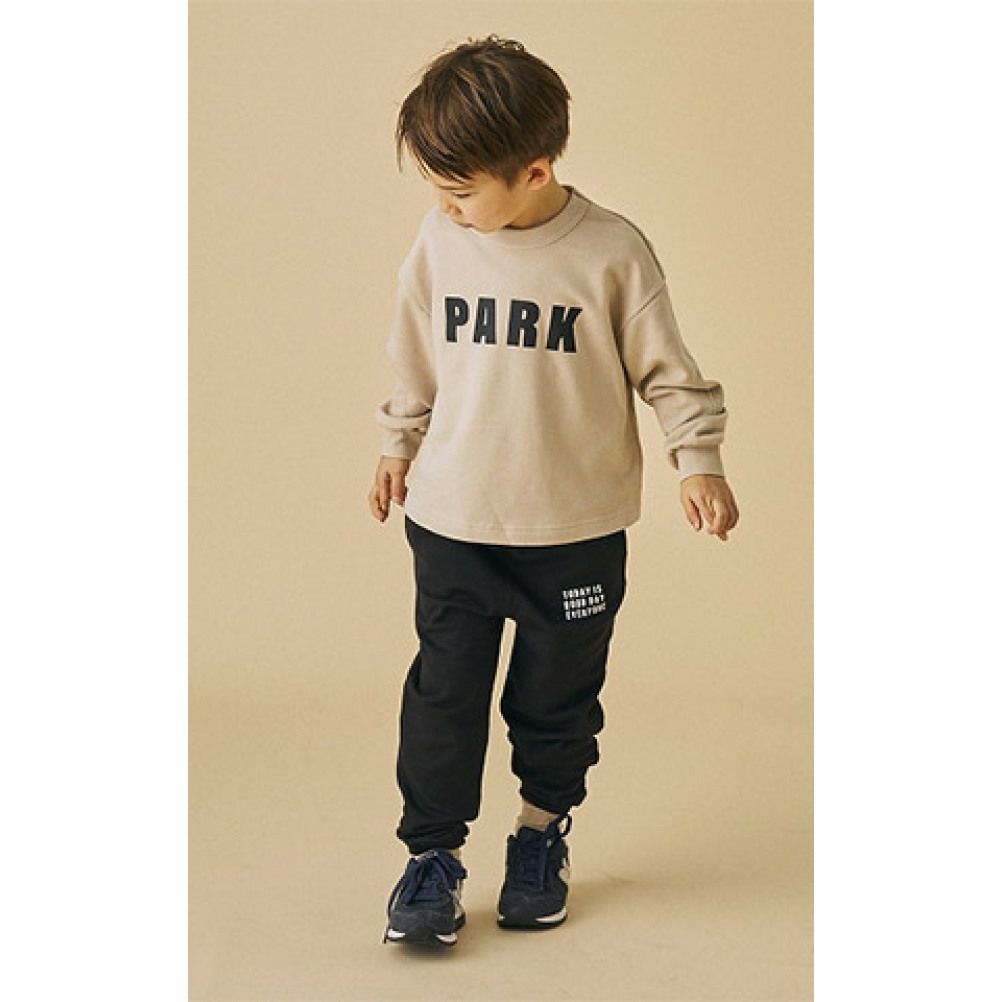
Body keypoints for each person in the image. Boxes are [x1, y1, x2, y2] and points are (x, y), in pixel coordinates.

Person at [368, 34, 740, 948]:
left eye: (461, 192)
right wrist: (396, 442)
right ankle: (432, 857)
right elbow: (414, 351)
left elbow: (667, 370)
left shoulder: (611, 252)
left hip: (573, 534)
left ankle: (541, 835)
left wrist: (698, 458)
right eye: (437, 189)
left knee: (558, 700)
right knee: (443, 696)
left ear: (534, 172)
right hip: (454, 522)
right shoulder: (440, 240)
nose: (444, 208)